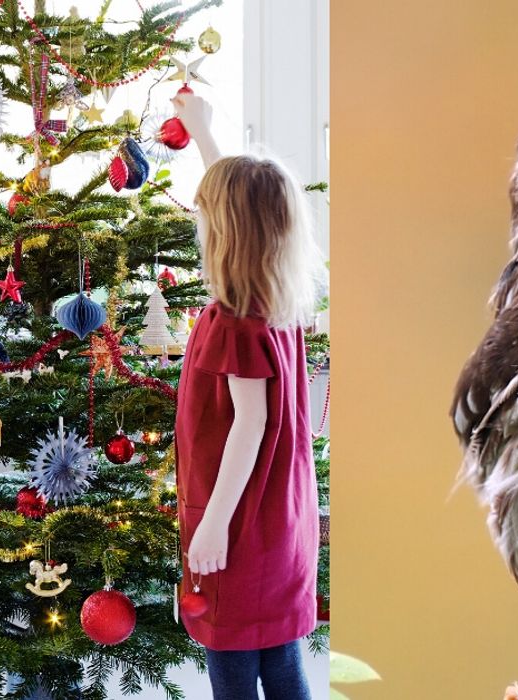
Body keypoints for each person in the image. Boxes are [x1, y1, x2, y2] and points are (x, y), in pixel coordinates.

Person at [172, 91, 327, 700]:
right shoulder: (271, 302)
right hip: (273, 524)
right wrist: (203, 132)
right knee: (277, 657)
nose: (198, 222)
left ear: (229, 235)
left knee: (235, 667)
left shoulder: (238, 319)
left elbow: (249, 425)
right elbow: (242, 192)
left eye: (206, 216)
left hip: (239, 524)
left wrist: (212, 526)